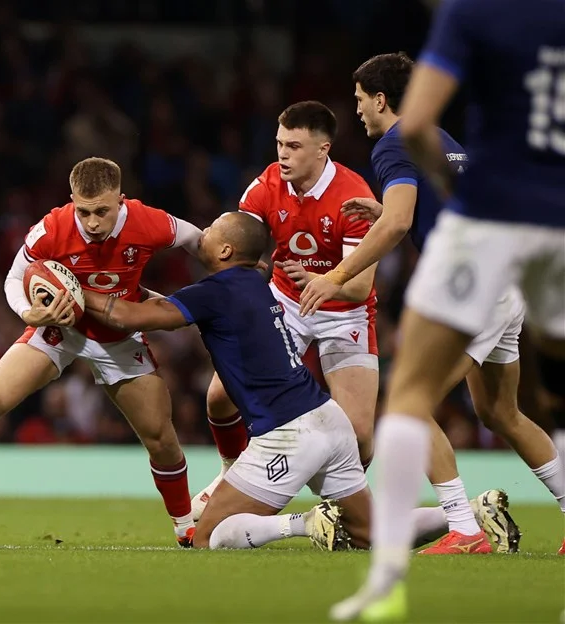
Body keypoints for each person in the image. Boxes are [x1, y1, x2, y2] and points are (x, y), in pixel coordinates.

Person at [331, 2, 565, 620]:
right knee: (499, 410)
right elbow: (427, 201)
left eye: (359, 98)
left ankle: (464, 527)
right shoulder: (451, 143)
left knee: (407, 403)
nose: (356, 108)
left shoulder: (395, 143)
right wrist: (382, 212)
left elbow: (404, 220)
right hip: (516, 276)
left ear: (382, 100)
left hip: (480, 281)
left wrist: (339, 271)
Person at [81, 211, 503, 553]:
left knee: (209, 534)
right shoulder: (250, 282)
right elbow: (158, 304)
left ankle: (305, 523)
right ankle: (467, 514)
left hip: (286, 431)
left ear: (226, 249)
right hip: (327, 419)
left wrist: (76, 291)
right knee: (370, 534)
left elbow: (130, 317)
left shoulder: (216, 292)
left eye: (210, 231)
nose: (201, 234)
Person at [0, 157, 212, 546]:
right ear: (72, 200)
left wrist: (233, 271)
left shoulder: (150, 222)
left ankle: (184, 528)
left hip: (120, 338)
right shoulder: (53, 227)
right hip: (61, 329)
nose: (92, 222)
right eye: (84, 210)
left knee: (161, 437)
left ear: (121, 201)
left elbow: (199, 241)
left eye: (103, 211)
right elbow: (13, 277)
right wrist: (29, 311)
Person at [194, 101, 382, 520]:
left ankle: (338, 510)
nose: (282, 154)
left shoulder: (354, 197)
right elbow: (238, 244)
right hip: (286, 303)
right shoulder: (265, 187)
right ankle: (229, 472)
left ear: (323, 149)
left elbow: (360, 287)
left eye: (294, 146)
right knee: (219, 397)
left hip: (343, 312)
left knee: (361, 436)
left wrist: (323, 281)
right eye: (280, 143)